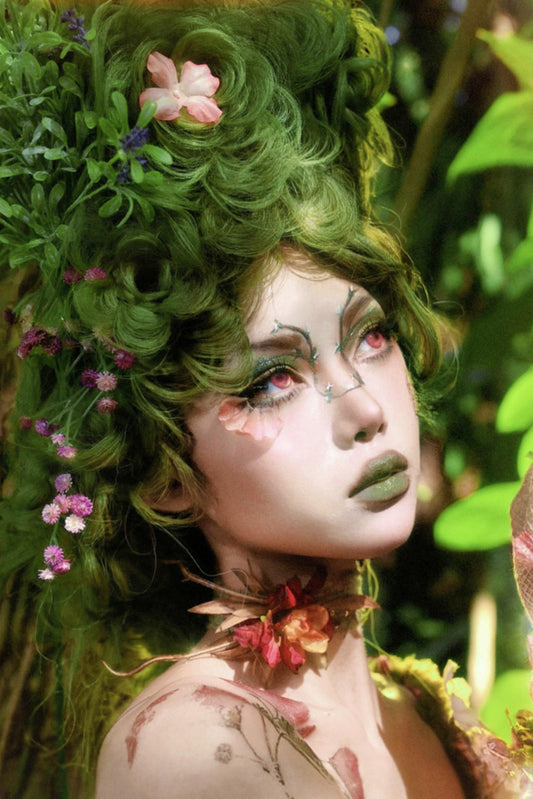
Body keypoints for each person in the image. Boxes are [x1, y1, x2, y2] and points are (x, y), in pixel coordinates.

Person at [0, 1, 531, 797]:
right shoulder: (192, 745)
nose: (365, 411)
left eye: (370, 336)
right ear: (165, 475)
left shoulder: (410, 700)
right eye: (272, 379)